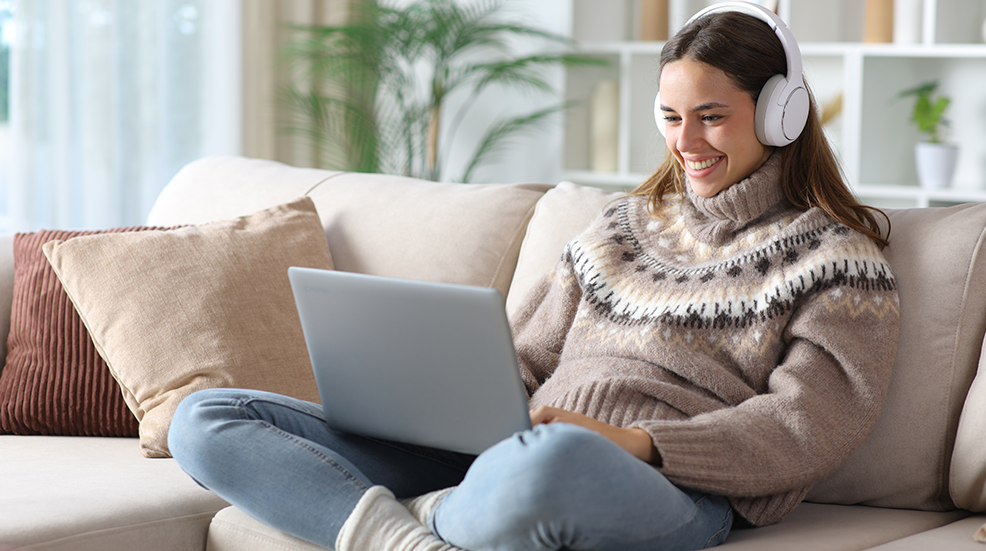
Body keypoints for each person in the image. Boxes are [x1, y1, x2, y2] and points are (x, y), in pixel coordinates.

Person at [168, 4, 900, 550]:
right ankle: (410, 535)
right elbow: (525, 358)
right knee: (205, 418)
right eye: (671, 117)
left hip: (660, 481)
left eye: (711, 116)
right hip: (510, 451)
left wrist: (634, 442)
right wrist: (448, 409)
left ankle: (421, 512)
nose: (686, 142)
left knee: (559, 461)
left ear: (780, 114)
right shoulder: (618, 227)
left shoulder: (838, 261)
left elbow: (805, 428)